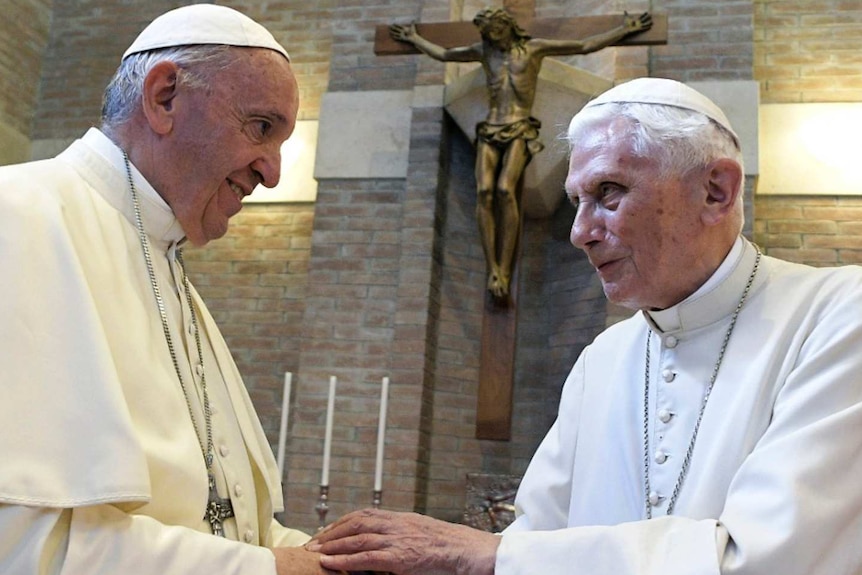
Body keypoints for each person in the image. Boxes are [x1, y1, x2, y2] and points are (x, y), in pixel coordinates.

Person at [307, 78, 862, 575]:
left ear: (716, 190)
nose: (579, 233)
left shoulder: (838, 313)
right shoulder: (605, 356)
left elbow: (771, 558)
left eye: (608, 193)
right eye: (576, 201)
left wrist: (488, 553)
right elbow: (534, 542)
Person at [0, 5, 338, 574]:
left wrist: (325, 553)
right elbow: (25, 548)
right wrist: (281, 570)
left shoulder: (167, 263)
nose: (274, 172)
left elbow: (222, 517)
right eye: (261, 128)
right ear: (163, 97)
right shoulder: (19, 217)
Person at [390, 9, 652, 302]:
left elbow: (583, 46)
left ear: (507, 28)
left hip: (519, 129)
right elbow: (445, 54)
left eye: (495, 32)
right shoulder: (484, 52)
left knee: (505, 190)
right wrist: (414, 38)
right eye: (487, 34)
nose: (491, 38)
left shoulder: (533, 50)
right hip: (490, 128)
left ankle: (503, 266)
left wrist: (623, 30)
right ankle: (496, 268)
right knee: (486, 191)